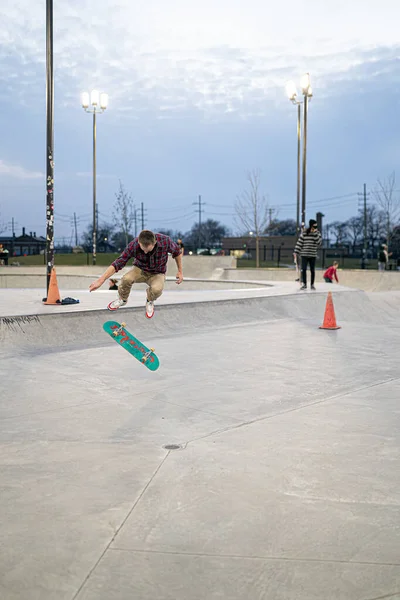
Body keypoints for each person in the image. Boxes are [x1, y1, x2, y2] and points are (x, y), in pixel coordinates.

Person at [89, 230, 183, 318]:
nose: (145, 252)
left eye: (148, 250)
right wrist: (101, 280)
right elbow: (118, 262)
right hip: (140, 269)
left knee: (157, 289)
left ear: (154, 243)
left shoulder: (165, 241)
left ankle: (149, 300)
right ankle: (122, 299)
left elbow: (177, 253)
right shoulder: (133, 245)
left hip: (157, 272)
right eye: (143, 249)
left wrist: (180, 271)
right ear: (139, 242)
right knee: (126, 279)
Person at [294, 219, 322, 290]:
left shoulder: (318, 233)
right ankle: (304, 284)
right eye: (314, 226)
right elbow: (300, 242)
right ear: (311, 226)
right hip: (304, 254)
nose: (315, 228)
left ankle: (312, 284)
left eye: (316, 227)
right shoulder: (305, 233)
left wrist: (315, 233)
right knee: (303, 269)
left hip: (312, 255)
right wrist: (296, 251)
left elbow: (319, 242)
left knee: (312, 270)